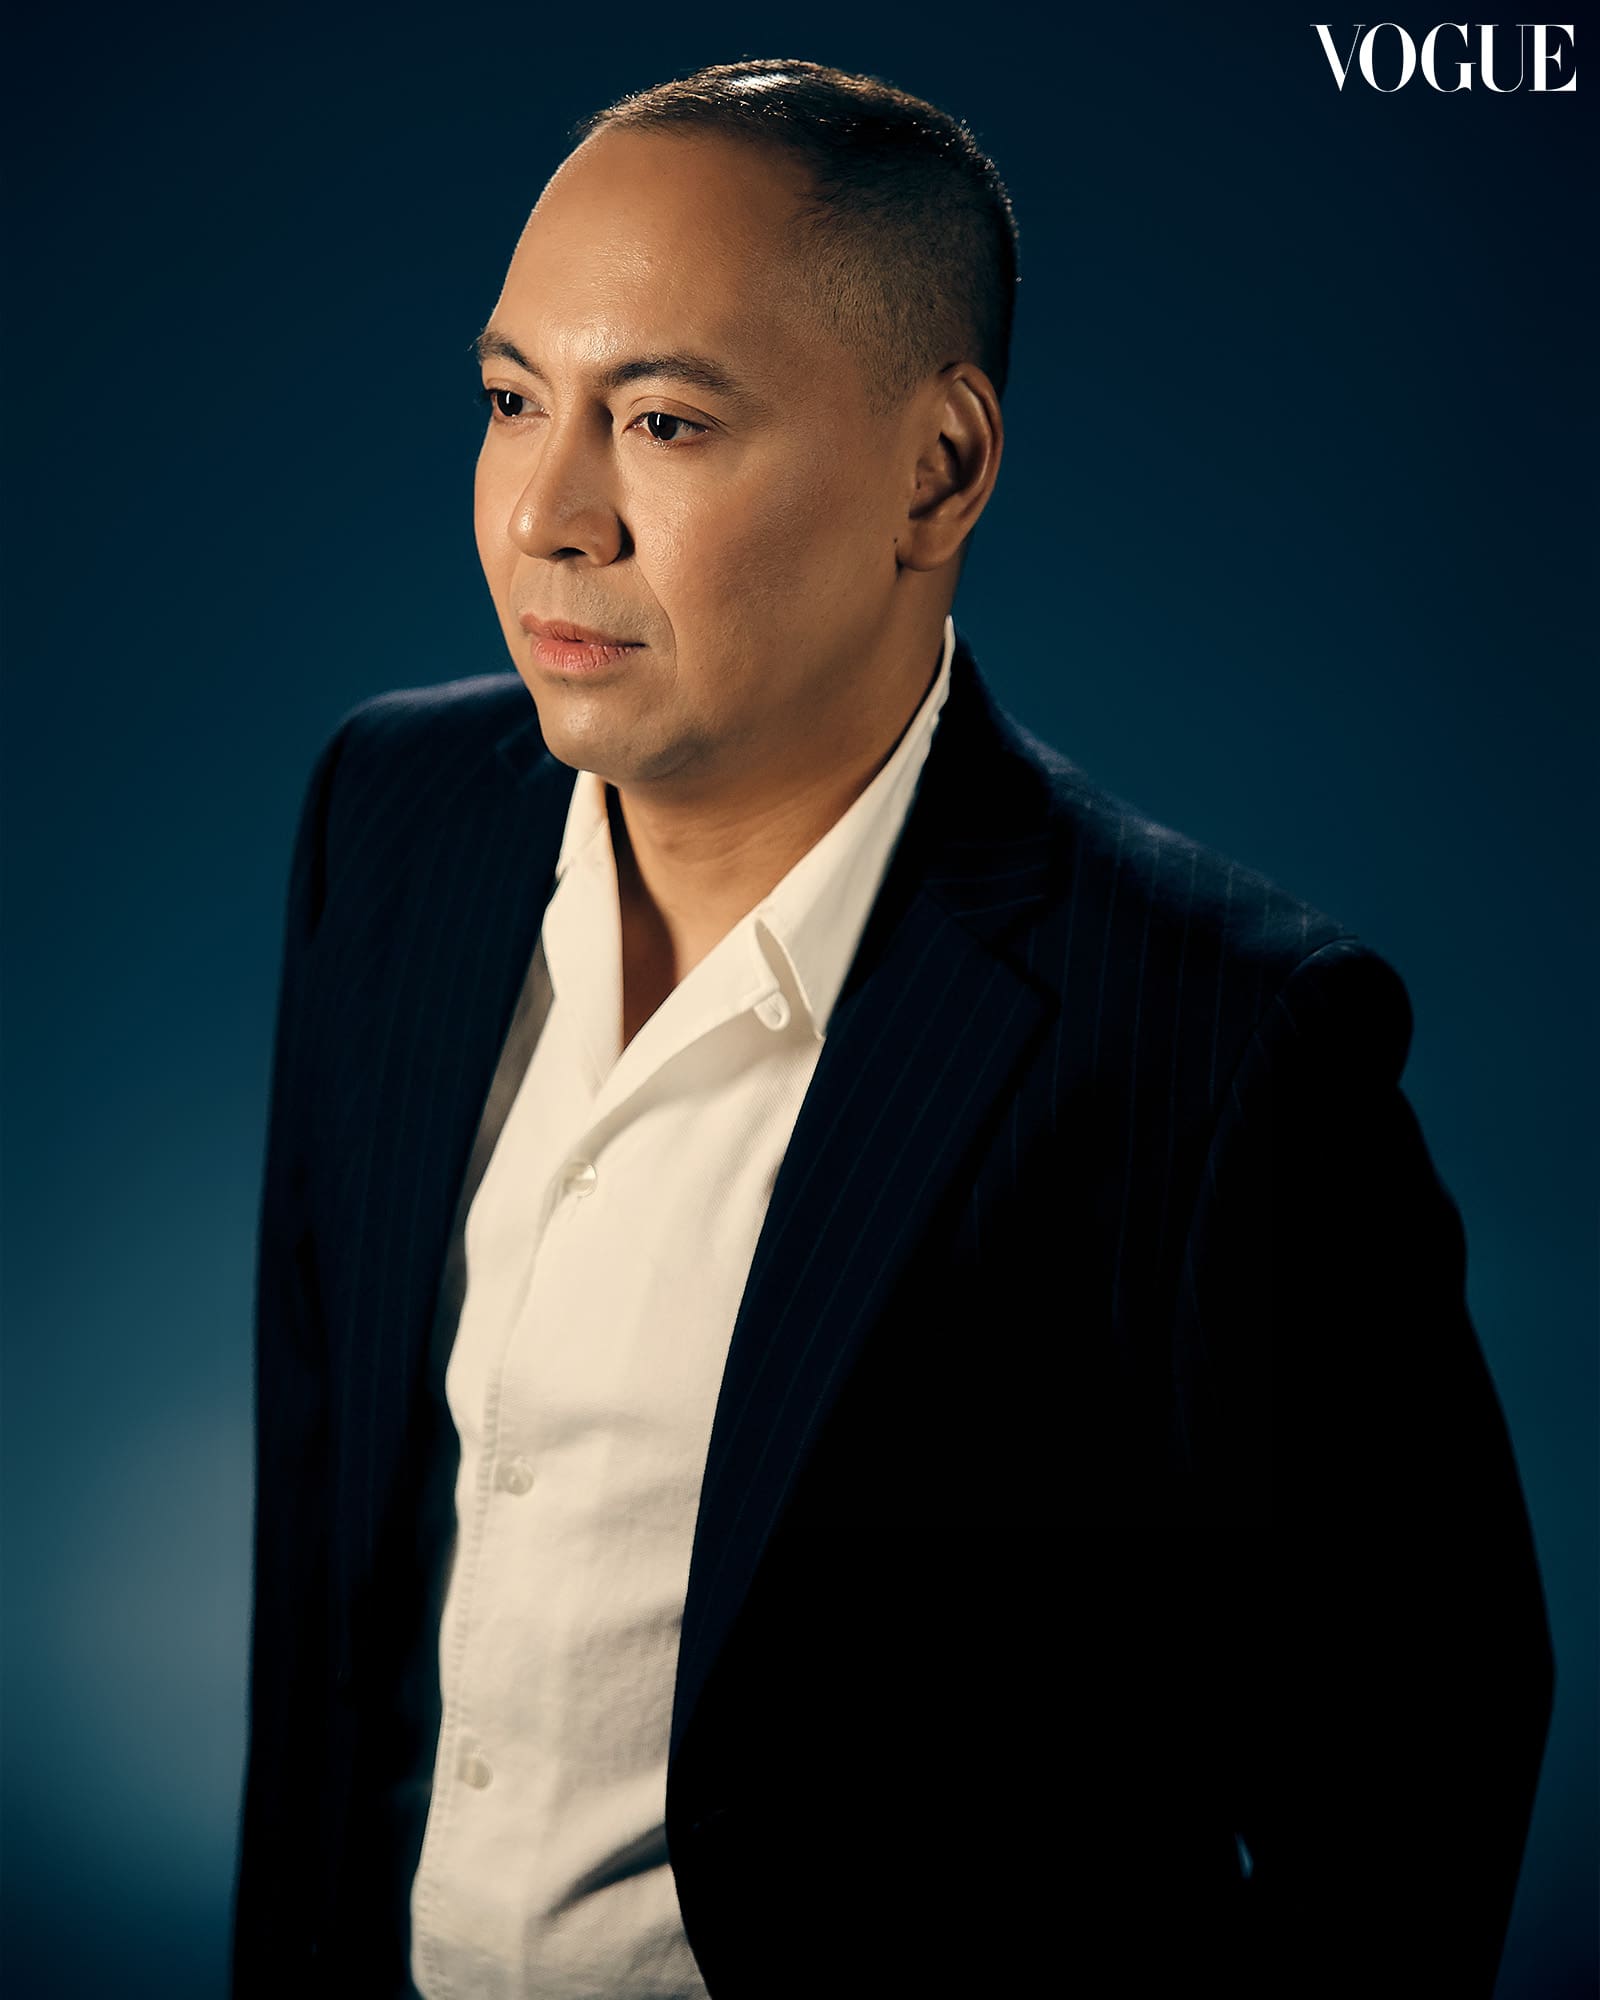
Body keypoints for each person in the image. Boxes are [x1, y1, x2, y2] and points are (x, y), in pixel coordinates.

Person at [229, 56, 1555, 2000]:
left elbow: (1415, 1779)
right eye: (514, 401)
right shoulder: (392, 817)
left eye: (663, 422)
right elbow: (325, 1598)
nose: (546, 515)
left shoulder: (1217, 1046)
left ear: (937, 468)